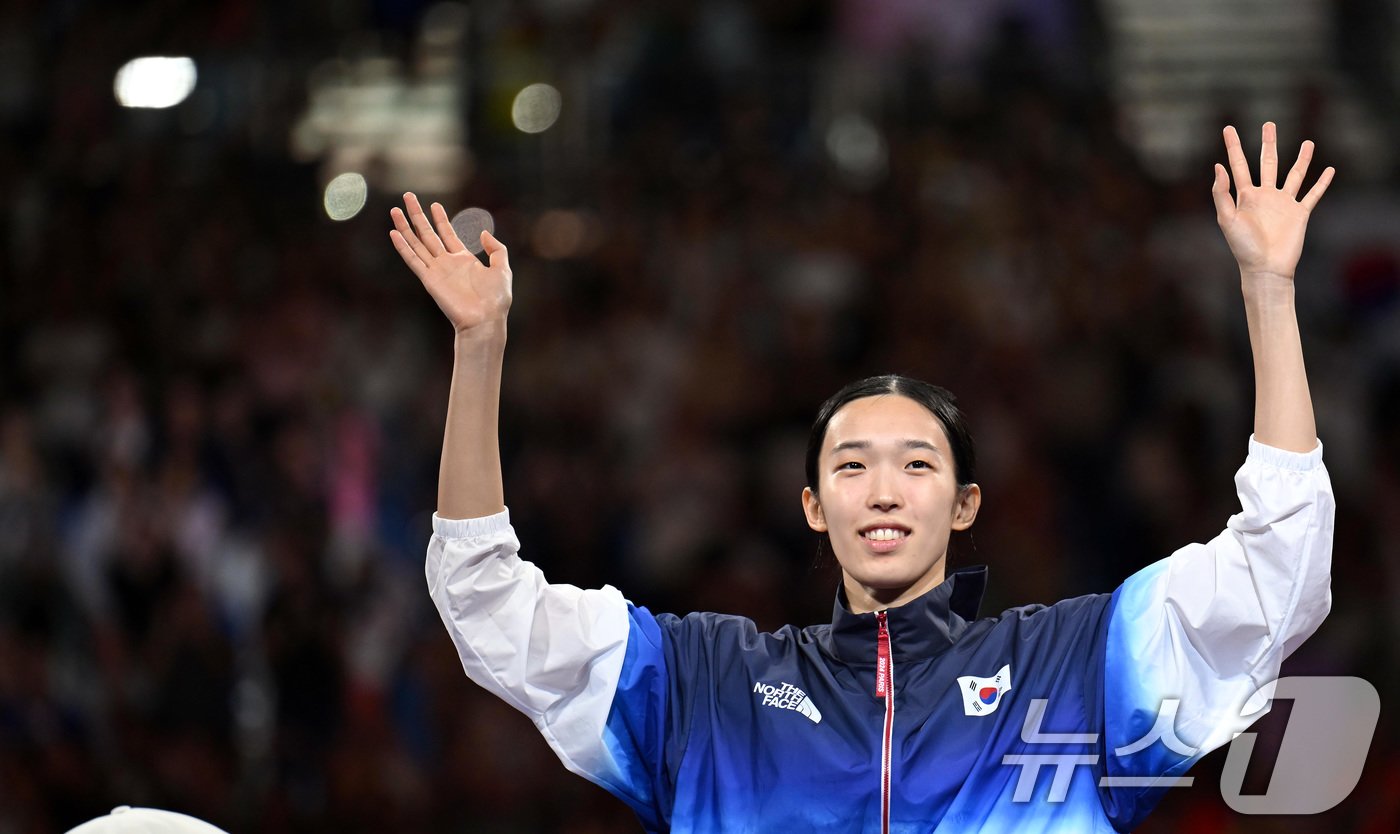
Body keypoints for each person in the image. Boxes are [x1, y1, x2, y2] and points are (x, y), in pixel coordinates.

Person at [388, 123, 1336, 833]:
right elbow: (486, 602)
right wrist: (481, 347)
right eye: (852, 465)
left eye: (917, 464)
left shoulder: (1071, 669)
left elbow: (1279, 566)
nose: (884, 490)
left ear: (966, 504)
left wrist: (1268, 290)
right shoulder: (707, 684)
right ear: (813, 505)